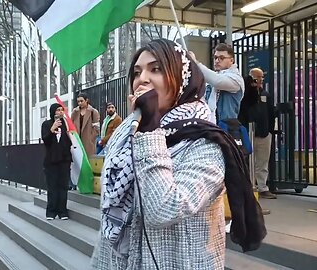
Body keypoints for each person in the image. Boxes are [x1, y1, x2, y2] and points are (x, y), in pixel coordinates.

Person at [91, 39, 265, 269]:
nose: (141, 79)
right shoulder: (128, 131)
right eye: (136, 72)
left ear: (182, 79)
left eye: (156, 69)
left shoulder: (207, 143)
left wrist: (149, 128)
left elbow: (164, 208)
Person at [239, 68, 277, 199]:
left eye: (261, 77)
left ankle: (262, 187)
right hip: (248, 133)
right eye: (256, 78)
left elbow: (272, 113)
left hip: (264, 132)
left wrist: (270, 130)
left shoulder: (266, 94)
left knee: (262, 162)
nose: (260, 80)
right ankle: (249, 187)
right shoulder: (244, 94)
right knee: (247, 161)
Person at [188, 43, 245, 123]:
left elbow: (217, 81)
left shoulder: (236, 79)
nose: (217, 61)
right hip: (210, 125)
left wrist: (196, 63)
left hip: (226, 127)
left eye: (221, 58)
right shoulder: (214, 78)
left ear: (231, 60)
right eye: (215, 57)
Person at [41, 103, 71, 220]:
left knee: (63, 186)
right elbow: (45, 139)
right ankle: (51, 211)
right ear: (53, 112)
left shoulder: (66, 125)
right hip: (51, 161)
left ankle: (62, 211)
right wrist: (52, 129)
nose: (60, 112)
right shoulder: (46, 124)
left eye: (61, 110)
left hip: (64, 160)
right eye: (58, 110)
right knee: (52, 186)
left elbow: (70, 140)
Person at [71, 93, 100, 157]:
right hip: (77, 140)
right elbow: (71, 124)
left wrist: (91, 138)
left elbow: (97, 128)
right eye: (78, 101)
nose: (80, 103)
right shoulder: (75, 111)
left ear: (86, 100)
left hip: (88, 141)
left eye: (81, 101)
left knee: (89, 160)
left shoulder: (93, 111)